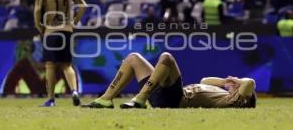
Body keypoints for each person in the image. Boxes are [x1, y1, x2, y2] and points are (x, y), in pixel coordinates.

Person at [81, 52, 256, 109]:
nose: (234, 85)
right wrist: (226, 82)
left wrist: (238, 80)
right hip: (162, 94)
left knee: (166, 57)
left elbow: (250, 83)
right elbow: (205, 79)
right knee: (133, 58)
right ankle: (105, 99)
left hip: (176, 99)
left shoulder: (236, 101)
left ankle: (140, 99)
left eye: (237, 87)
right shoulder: (222, 92)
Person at [34, 0, 87, 107]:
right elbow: (83, 5)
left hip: (51, 30)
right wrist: (74, 22)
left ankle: (51, 99)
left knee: (50, 65)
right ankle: (75, 91)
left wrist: (40, 28)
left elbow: (37, 12)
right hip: (66, 30)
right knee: (66, 64)